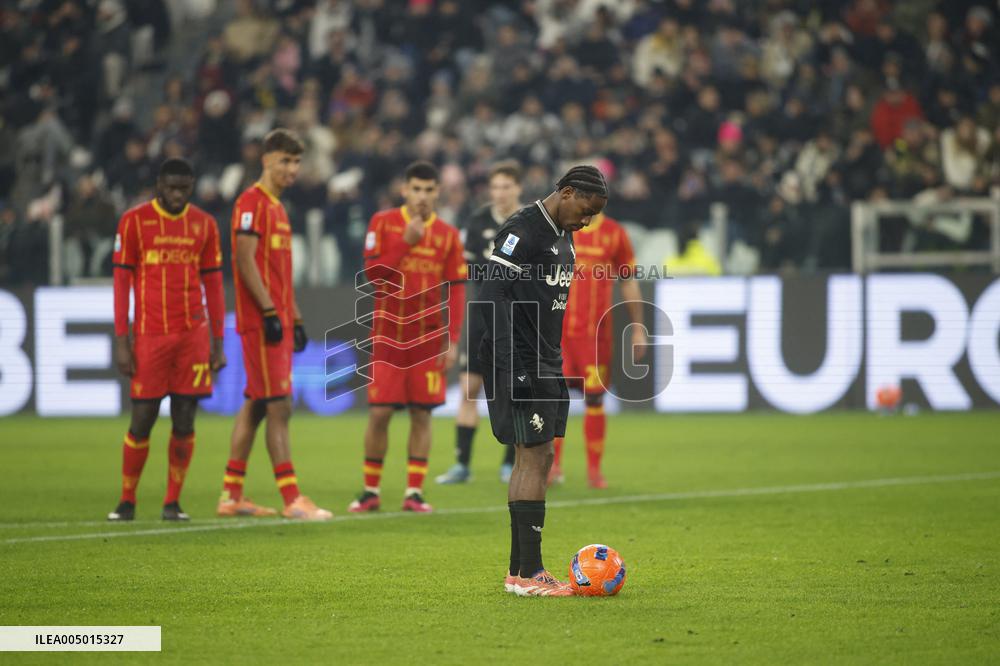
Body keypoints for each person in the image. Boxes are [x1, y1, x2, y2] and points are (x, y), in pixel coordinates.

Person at [479, 165, 608, 597]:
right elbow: (491, 295)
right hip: (521, 360)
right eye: (585, 210)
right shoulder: (524, 228)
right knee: (534, 457)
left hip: (546, 360)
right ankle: (532, 573)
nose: (586, 221)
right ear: (567, 192)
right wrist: (510, 362)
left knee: (536, 457)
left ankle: (519, 573)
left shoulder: (562, 232)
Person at [217, 128, 332, 521]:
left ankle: (231, 494)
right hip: (260, 321)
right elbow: (245, 261)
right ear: (266, 160)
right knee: (279, 404)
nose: (292, 169)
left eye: (297, 162)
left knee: (256, 404)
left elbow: (279, 273)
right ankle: (292, 498)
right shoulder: (251, 203)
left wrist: (294, 316)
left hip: (279, 318)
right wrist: (268, 312)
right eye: (285, 160)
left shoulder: (280, 209)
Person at [108, 158, 226, 522]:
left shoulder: (204, 225)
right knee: (142, 418)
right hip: (150, 335)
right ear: (159, 184)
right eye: (171, 187)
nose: (177, 195)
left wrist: (218, 342)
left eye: (184, 189)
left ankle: (172, 502)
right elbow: (122, 283)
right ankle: (127, 499)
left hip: (192, 335)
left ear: (191, 187)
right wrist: (121, 339)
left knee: (185, 418)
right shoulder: (134, 222)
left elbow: (214, 286)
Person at [350, 161, 467, 514]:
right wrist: (406, 241)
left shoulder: (447, 234)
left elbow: (457, 290)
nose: (422, 196)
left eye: (429, 190)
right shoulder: (382, 223)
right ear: (404, 190)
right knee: (380, 412)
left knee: (422, 414)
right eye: (416, 189)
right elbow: (372, 276)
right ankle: (371, 490)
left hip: (428, 339)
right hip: (387, 336)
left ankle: (414, 492)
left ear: (437, 193)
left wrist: (454, 339)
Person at [437, 161, 523, 486]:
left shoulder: (528, 222)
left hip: (517, 316)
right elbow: (468, 270)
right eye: (495, 187)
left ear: (518, 188)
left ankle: (509, 463)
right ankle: (462, 464)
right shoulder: (478, 221)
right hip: (482, 315)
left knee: (515, 391)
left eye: (506, 187)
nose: (500, 193)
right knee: (469, 389)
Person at [550, 211, 646, 488]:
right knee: (555, 398)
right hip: (559, 333)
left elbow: (628, 280)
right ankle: (553, 466)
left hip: (596, 335)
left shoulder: (615, 234)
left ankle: (594, 471)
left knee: (594, 399)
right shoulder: (559, 228)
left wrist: (638, 327)